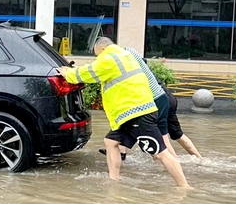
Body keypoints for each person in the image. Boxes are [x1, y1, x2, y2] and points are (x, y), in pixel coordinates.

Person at [57, 37, 190, 188]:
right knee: (110, 142)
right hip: (132, 113)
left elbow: (88, 73)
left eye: (97, 54)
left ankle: (184, 187)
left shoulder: (108, 58)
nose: (97, 58)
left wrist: (68, 73)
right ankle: (114, 181)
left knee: (159, 152)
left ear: (102, 49)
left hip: (136, 113)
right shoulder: (125, 55)